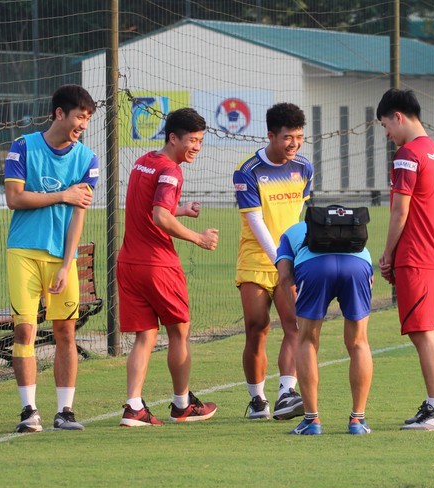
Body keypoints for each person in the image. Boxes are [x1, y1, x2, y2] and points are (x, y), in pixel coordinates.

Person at [4, 84, 98, 432]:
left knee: (65, 332)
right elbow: (14, 198)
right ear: (60, 113)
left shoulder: (87, 159)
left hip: (62, 259)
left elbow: (79, 214)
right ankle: (29, 411)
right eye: (79, 117)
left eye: (87, 119)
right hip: (24, 251)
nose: (83, 125)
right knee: (25, 330)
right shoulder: (22, 147)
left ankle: (65, 411)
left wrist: (67, 262)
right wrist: (62, 194)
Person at [117, 107, 219, 427]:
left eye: (201, 141)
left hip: (128, 262)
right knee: (179, 332)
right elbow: (160, 217)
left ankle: (134, 407)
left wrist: (181, 210)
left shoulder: (143, 162)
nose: (197, 148)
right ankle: (182, 403)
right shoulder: (173, 171)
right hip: (158, 264)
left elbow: (153, 207)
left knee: (145, 336)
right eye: (192, 140)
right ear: (173, 137)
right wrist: (197, 238)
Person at [376, 88, 434, 431]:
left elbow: (399, 210)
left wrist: (388, 254)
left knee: (423, 333)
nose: (387, 134)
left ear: (398, 116)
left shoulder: (408, 155)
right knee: (431, 332)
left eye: (385, 126)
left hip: (417, 255)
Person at [232, 103, 313, 420]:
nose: (294, 144)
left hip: (289, 259)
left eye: (299, 137)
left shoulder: (304, 168)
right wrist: (280, 260)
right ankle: (256, 400)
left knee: (295, 325)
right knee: (257, 328)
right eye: (287, 137)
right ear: (270, 135)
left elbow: (299, 217)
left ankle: (285, 394)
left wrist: (295, 257)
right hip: (256, 259)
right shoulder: (248, 171)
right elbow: (255, 222)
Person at [275, 220, 374, 436]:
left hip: (314, 268)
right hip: (358, 265)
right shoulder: (349, 228)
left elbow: (283, 276)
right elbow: (370, 271)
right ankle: (358, 420)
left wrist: (297, 315)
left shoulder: (288, 233)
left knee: (307, 340)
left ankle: (312, 420)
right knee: (359, 342)